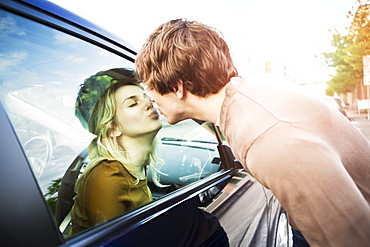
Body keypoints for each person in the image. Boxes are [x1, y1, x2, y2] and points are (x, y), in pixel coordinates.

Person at [135, 19, 370, 246]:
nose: (150, 99)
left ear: (177, 87)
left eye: (149, 87)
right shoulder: (244, 97)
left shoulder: (267, 139)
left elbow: (350, 239)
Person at [70, 68, 164, 234]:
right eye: (133, 103)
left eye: (146, 97)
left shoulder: (137, 168)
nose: (149, 103)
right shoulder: (108, 175)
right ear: (113, 128)